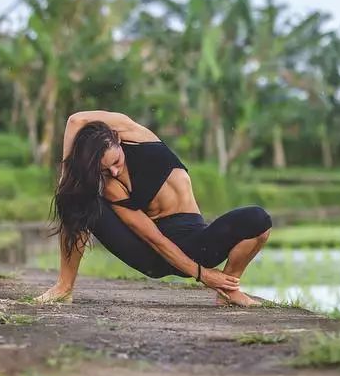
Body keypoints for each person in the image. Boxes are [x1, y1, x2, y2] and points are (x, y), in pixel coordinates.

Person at [35, 110, 272, 306]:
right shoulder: (111, 187)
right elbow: (155, 239)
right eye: (104, 171)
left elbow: (76, 120)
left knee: (258, 220)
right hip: (152, 255)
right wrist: (202, 274)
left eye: (116, 163)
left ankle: (229, 290)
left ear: (117, 138)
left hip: (195, 243)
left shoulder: (137, 135)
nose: (114, 173)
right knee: (74, 200)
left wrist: (65, 173)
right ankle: (64, 287)